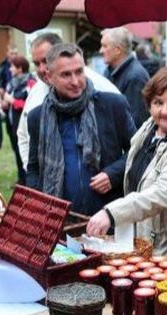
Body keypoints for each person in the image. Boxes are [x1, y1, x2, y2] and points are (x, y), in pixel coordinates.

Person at [86, 68, 167, 259]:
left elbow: (165, 191)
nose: (164, 111)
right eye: (158, 102)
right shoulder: (152, 127)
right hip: (147, 243)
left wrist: (112, 213)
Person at [26, 43, 137, 215]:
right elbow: (34, 168)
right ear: (49, 76)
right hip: (59, 218)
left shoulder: (113, 105)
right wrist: (37, 205)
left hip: (107, 215)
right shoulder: (37, 117)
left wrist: (112, 174)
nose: (75, 81)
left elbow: (138, 150)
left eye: (79, 71)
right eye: (66, 75)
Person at [17, 33, 120, 171]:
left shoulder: (102, 89)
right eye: (36, 63)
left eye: (45, 60)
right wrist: (32, 171)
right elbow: (23, 135)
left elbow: (127, 142)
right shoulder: (36, 92)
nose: (41, 69)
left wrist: (112, 175)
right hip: (49, 185)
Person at [101, 27, 151, 128]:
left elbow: (135, 123)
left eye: (105, 46)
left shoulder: (136, 77)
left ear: (118, 50)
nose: (101, 50)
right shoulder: (110, 71)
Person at [2, 54, 35, 185]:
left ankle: (28, 181)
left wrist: (13, 101)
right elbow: (6, 98)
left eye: (12, 66)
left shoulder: (31, 82)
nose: (10, 69)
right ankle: (21, 180)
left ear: (20, 68)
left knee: (25, 154)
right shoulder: (11, 83)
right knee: (17, 153)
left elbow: (29, 103)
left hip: (24, 125)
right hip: (12, 125)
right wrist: (5, 104)